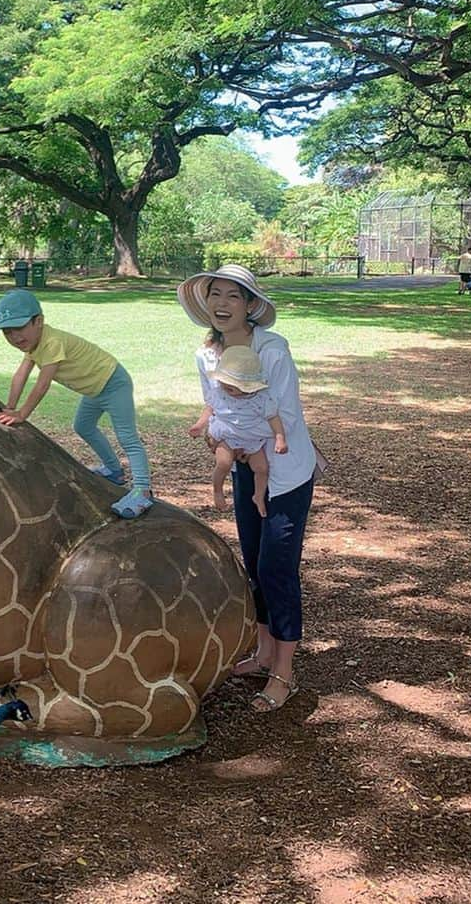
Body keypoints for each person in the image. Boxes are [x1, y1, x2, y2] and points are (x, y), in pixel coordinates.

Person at [177, 264, 317, 713]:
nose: (221, 304)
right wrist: (219, 439)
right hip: (244, 467)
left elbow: (284, 414)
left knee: (278, 568)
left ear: (251, 305)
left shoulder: (273, 350)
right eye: (214, 294)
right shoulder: (206, 355)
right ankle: (261, 654)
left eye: (233, 296)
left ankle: (283, 673)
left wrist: (241, 442)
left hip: (286, 469)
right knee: (254, 564)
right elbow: (214, 405)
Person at [0, 288, 154, 518]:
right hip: (94, 388)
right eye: (8, 332)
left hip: (113, 382)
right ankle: (114, 470)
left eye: (19, 328)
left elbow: (42, 384)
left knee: (128, 437)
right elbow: (21, 375)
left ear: (39, 321)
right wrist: (9, 406)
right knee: (83, 426)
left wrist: (22, 414)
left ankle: (143, 491)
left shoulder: (51, 342)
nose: (15, 337)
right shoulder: (34, 345)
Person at [190, 344, 288, 518]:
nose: (226, 388)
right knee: (223, 463)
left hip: (252, 442)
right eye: (224, 382)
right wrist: (199, 425)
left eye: (232, 386)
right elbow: (209, 409)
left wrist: (280, 439)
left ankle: (258, 496)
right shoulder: (218, 393)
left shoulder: (261, 399)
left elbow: (274, 418)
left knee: (262, 468)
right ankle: (217, 490)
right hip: (226, 438)